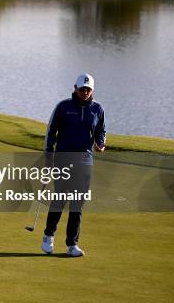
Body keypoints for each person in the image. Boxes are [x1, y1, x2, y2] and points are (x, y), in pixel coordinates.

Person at [41, 73, 106, 257]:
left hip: (85, 160)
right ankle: (48, 236)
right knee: (60, 199)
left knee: (77, 203)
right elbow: (51, 130)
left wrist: (100, 143)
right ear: (75, 88)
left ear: (92, 90)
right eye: (82, 89)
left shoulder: (98, 109)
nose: (85, 92)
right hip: (63, 158)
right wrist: (48, 153)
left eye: (88, 89)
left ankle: (72, 244)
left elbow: (101, 130)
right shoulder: (63, 107)